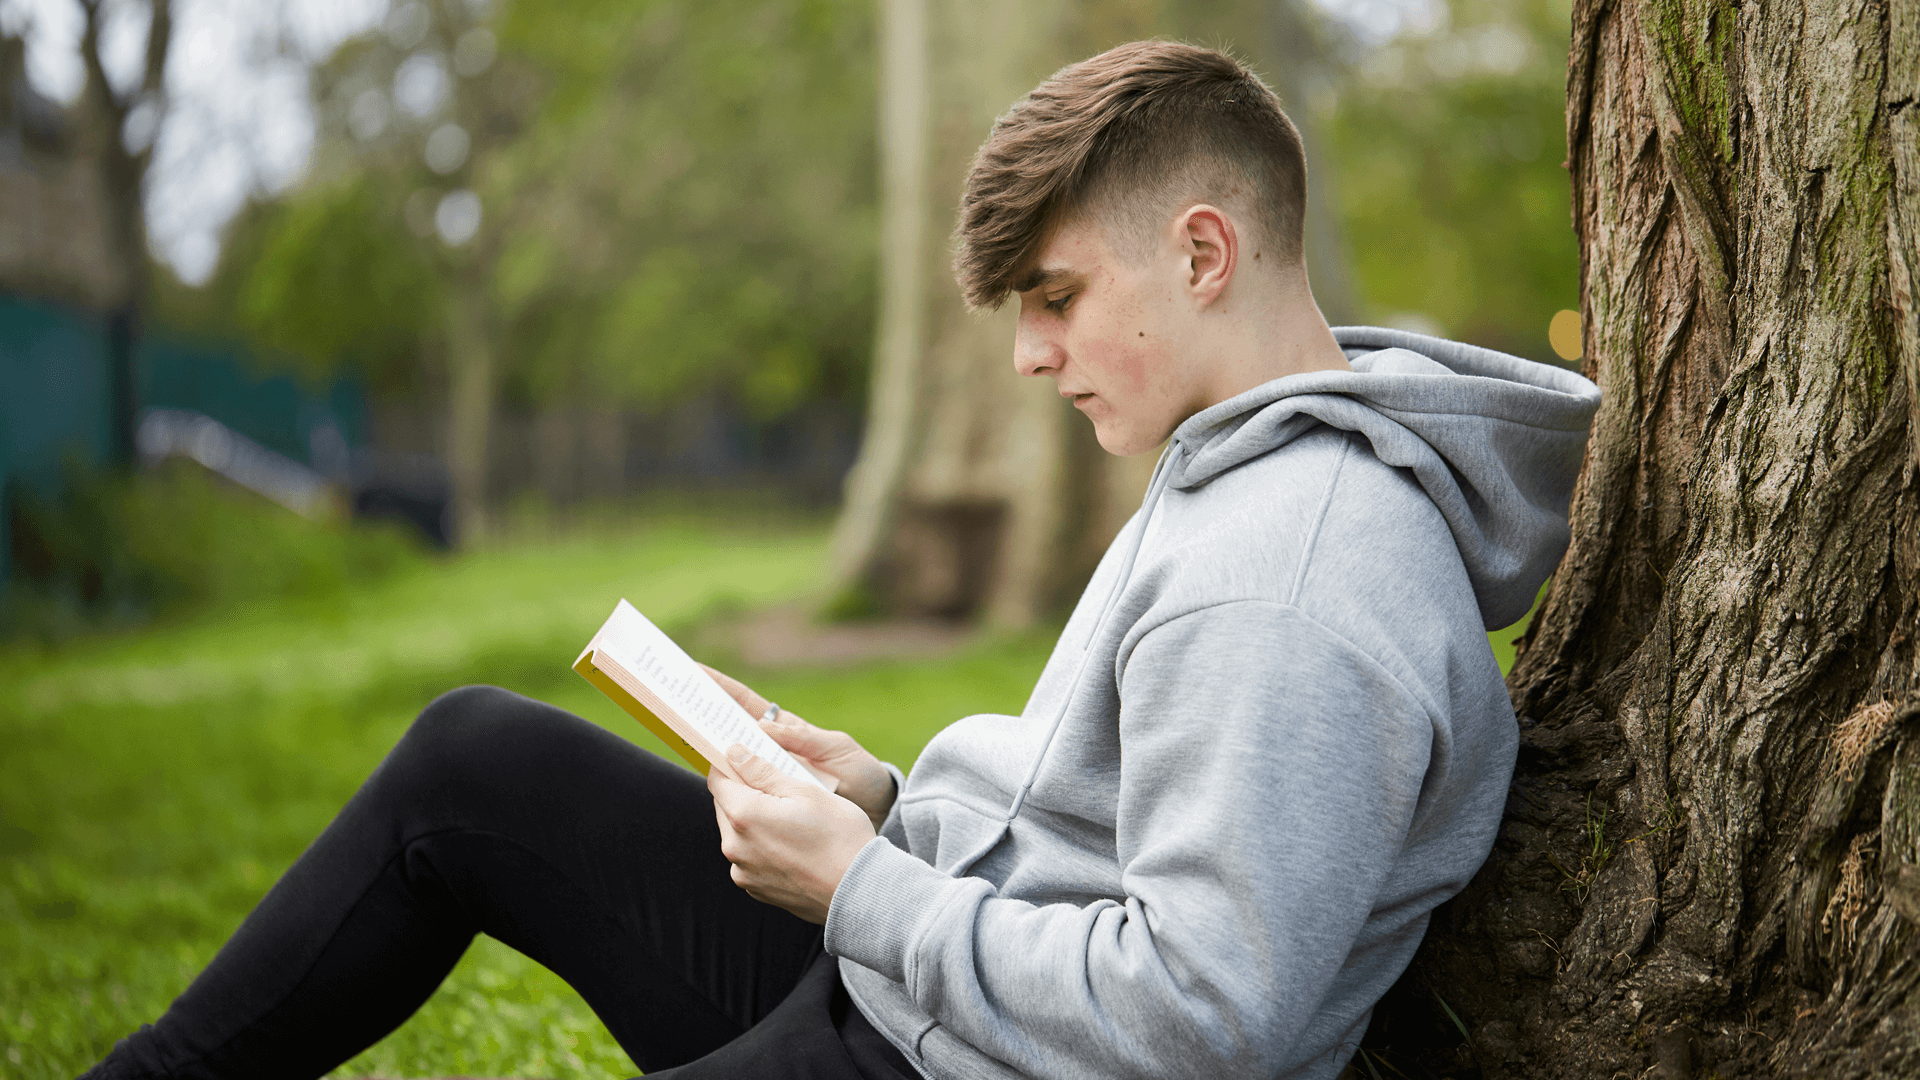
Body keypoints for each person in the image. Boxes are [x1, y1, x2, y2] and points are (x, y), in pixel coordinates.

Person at [82, 40, 1599, 1080]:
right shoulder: (1242, 461)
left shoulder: (1294, 576)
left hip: (947, 1053)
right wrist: (881, 803)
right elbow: (1109, 831)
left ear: (1204, 254)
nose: (1028, 353)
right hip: (921, 994)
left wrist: (863, 888)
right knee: (472, 763)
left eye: (1057, 295)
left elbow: (1208, 1022)